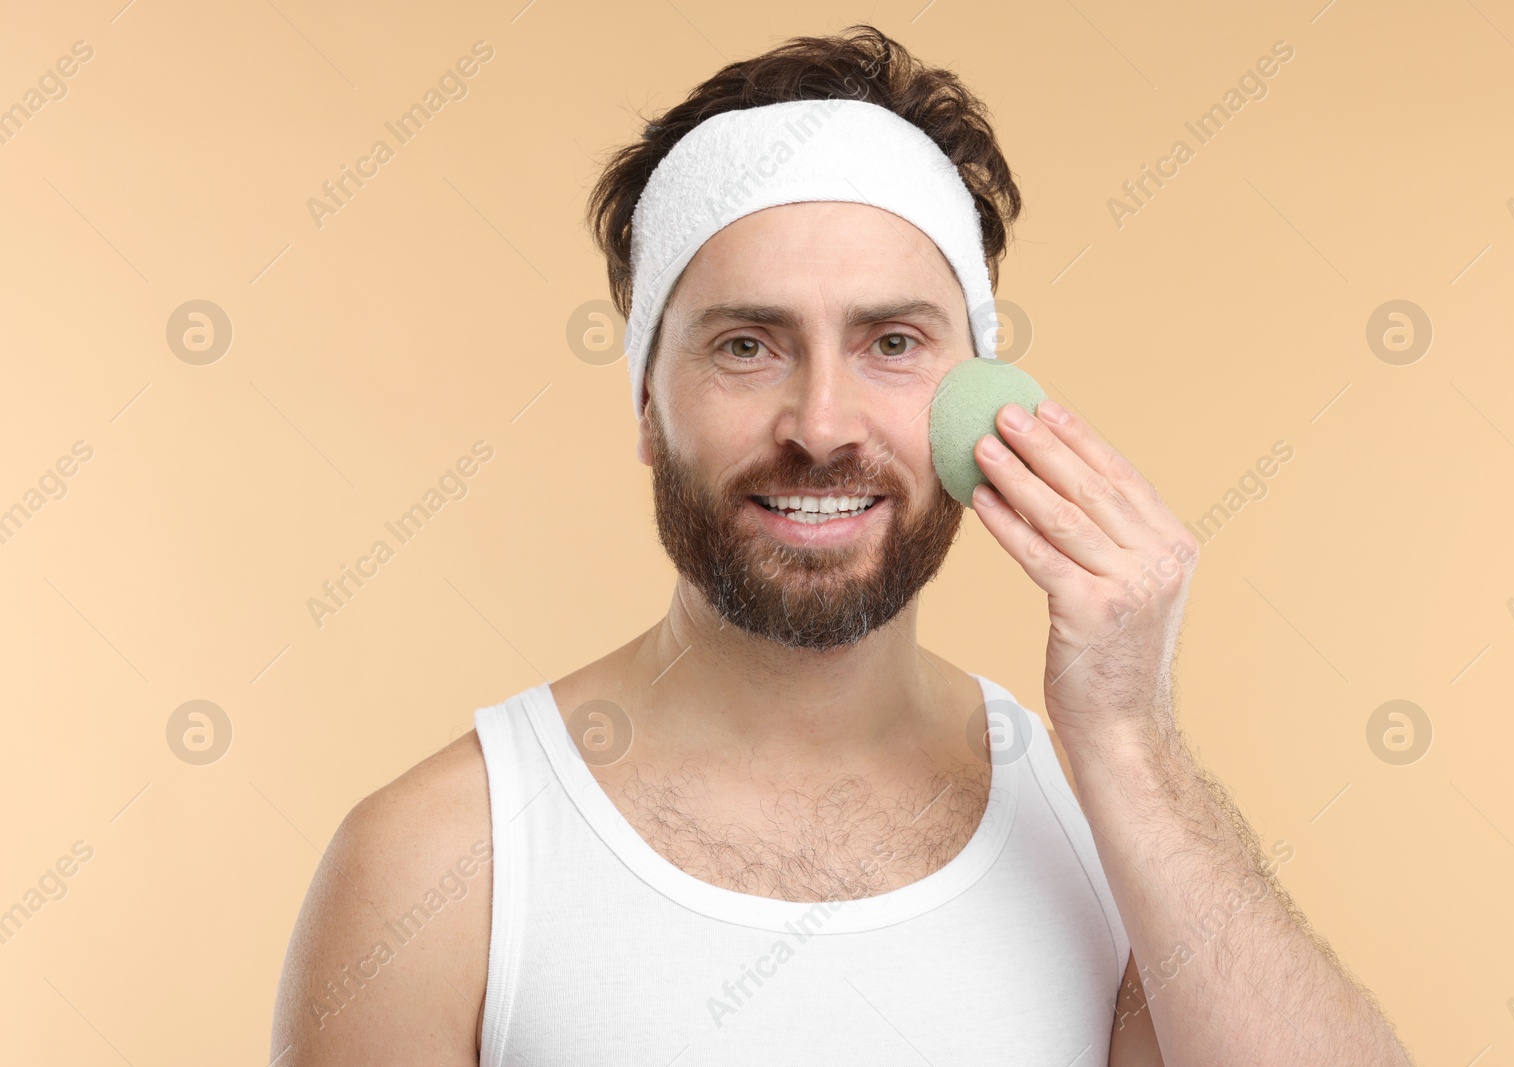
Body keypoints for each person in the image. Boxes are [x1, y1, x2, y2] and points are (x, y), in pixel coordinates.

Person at [271, 24, 1412, 1065]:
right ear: (644, 404)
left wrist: (1125, 733)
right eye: (746, 345)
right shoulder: (441, 864)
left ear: (982, 395)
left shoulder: (1109, 837)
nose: (820, 426)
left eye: (893, 342)